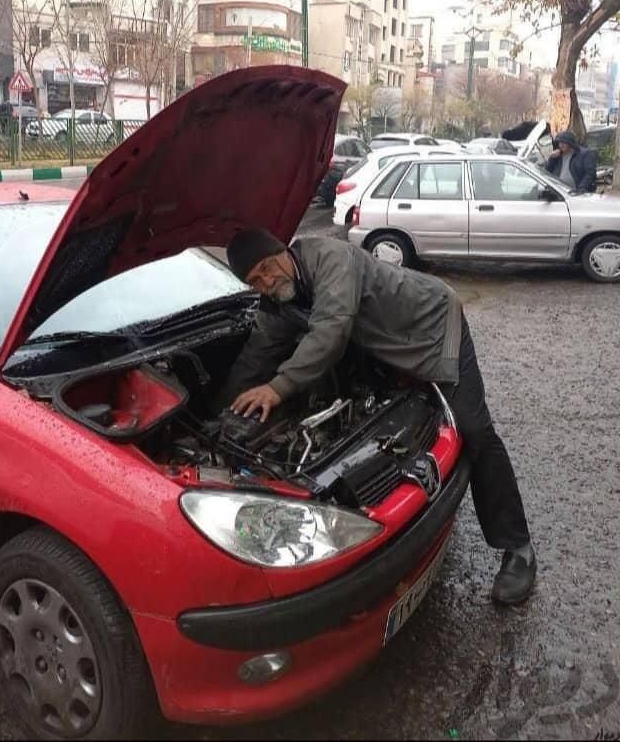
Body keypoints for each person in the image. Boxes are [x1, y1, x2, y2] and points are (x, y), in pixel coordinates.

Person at [221, 227, 536, 605]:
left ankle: (518, 548)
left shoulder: (330, 257)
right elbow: (258, 353)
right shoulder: (279, 298)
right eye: (255, 280)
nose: (267, 281)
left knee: (473, 429)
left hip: (431, 328)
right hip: (384, 344)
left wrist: (278, 387)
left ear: (284, 251)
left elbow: (332, 331)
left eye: (268, 268)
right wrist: (224, 409)